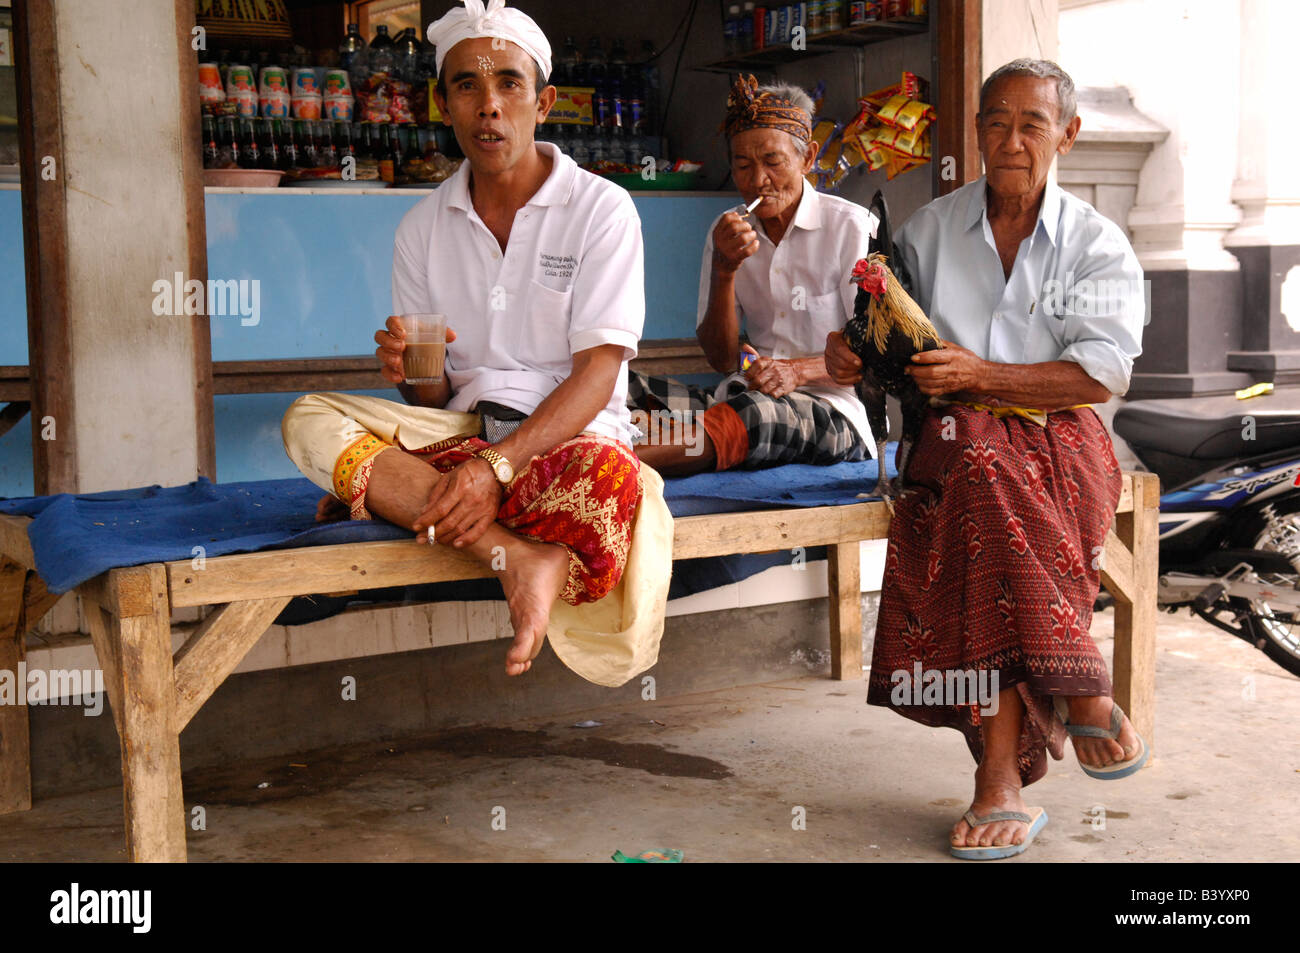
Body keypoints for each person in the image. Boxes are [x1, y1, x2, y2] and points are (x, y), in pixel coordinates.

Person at [281, 0, 671, 684]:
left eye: (508, 85)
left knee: (606, 490)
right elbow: (433, 390)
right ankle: (515, 554)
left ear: (543, 100)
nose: (488, 106)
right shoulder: (422, 229)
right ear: (443, 103)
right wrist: (409, 372)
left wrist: (494, 470)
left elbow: (599, 377)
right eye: (467, 85)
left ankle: (403, 493)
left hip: (560, 444)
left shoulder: (600, 210)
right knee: (308, 418)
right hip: (461, 430)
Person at [825, 58, 1147, 859]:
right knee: (971, 462)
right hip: (953, 437)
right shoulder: (930, 230)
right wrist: (851, 353)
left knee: (979, 478)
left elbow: (1099, 375)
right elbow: (894, 353)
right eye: (995, 122)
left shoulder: (1097, 243)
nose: (1011, 140)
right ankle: (1075, 688)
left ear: (1067, 135)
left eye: (1032, 124)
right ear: (975, 132)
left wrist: (981, 375)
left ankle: (1002, 778)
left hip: (1060, 432)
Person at [630, 75, 876, 477]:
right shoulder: (726, 232)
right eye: (742, 165)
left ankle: (607, 465)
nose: (757, 180)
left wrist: (795, 371)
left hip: (834, 413)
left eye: (772, 162)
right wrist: (724, 271)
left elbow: (873, 353)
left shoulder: (853, 229)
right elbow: (724, 359)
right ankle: (545, 445)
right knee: (625, 389)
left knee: (756, 417)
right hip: (743, 396)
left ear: (808, 158)